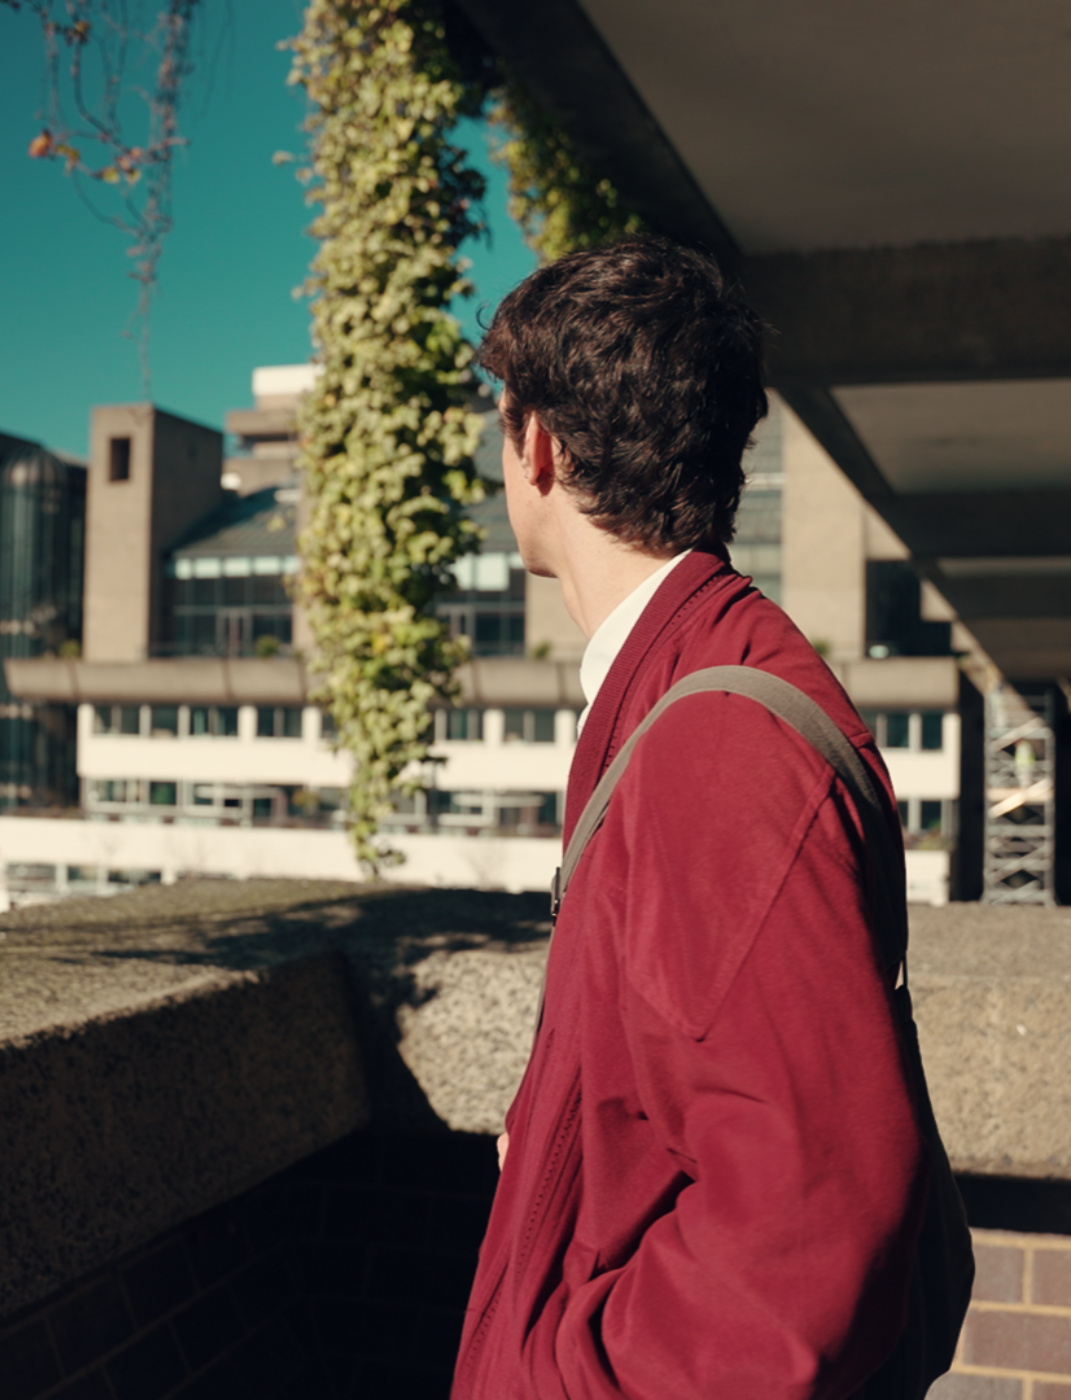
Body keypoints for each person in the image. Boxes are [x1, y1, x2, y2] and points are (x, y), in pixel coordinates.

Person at [452, 238, 929, 1399]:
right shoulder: (682, 689)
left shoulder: (712, 745)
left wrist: (557, 1373)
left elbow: (804, 1235)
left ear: (540, 450)